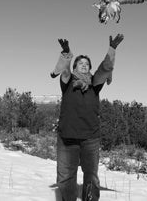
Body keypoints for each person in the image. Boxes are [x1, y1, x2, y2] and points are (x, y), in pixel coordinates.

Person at [50, 33, 124, 201]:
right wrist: (67, 53)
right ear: (75, 66)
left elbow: (104, 69)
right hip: (67, 137)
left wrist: (112, 49)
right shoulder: (67, 82)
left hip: (90, 138)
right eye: (80, 63)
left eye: (87, 64)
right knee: (66, 177)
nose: (84, 65)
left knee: (91, 176)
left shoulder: (95, 84)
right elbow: (65, 70)